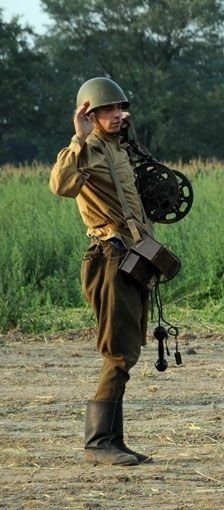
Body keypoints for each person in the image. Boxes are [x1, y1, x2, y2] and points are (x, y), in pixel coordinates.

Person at [49, 77, 154, 466]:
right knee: (119, 351)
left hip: (133, 256)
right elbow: (60, 185)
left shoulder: (119, 151)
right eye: (109, 109)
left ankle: (114, 441)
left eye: (121, 108)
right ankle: (98, 443)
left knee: (129, 347)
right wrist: (78, 138)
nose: (119, 114)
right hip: (109, 258)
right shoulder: (86, 150)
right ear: (89, 115)